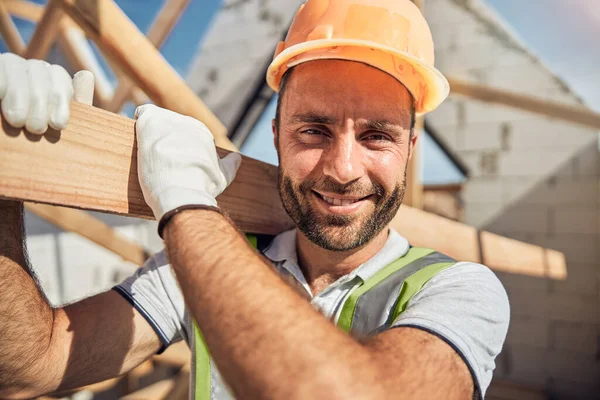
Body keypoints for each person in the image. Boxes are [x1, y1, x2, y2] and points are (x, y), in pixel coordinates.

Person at [0, 1, 509, 399]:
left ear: (409, 152)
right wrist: (7, 179)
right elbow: (29, 366)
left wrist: (186, 206)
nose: (343, 168)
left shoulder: (459, 292)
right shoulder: (204, 259)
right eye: (313, 130)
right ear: (276, 135)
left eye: (377, 136)